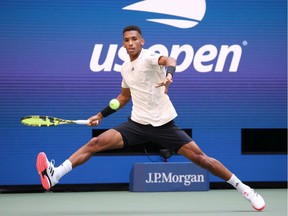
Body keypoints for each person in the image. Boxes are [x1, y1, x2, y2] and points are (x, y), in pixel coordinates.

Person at [36, 25, 265, 211]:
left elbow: (171, 59)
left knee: (203, 160)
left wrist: (169, 76)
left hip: (164, 126)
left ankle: (244, 188)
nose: (131, 43)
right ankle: (55, 175)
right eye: (127, 40)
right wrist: (101, 115)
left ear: (142, 41)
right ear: (123, 43)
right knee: (95, 143)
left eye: (134, 39)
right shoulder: (125, 68)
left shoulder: (149, 58)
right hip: (136, 125)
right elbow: (124, 97)